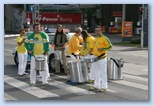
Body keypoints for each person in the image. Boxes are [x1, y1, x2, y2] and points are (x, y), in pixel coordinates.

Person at [89, 26, 112, 92]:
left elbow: (110, 46)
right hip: (95, 57)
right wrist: (90, 50)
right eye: (96, 30)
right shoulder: (95, 39)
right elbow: (92, 47)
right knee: (96, 72)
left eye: (98, 30)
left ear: (101, 31)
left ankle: (104, 87)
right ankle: (96, 85)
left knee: (103, 72)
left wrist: (103, 49)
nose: (97, 32)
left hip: (102, 57)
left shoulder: (105, 38)